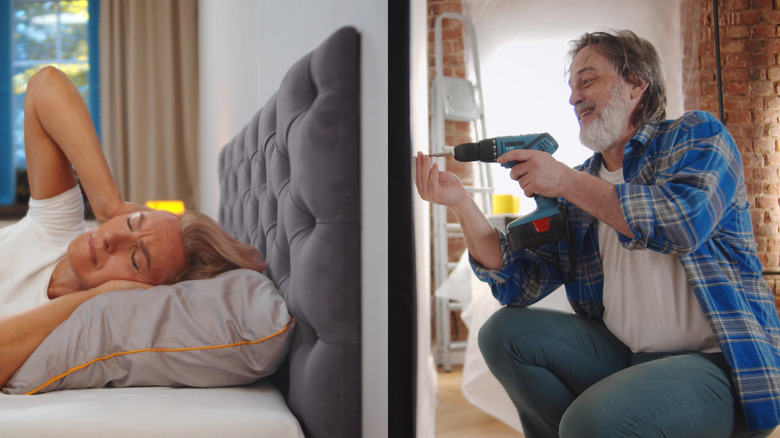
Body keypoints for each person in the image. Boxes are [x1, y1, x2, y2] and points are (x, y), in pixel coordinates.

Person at [415, 30, 780, 437]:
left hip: (717, 363)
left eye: (587, 80)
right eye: (571, 87)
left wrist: (565, 182)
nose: (573, 98)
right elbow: (520, 284)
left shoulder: (696, 136)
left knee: (588, 422)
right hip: (626, 356)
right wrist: (462, 204)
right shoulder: (584, 183)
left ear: (637, 83)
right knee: (504, 334)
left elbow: (682, 224)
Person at [0, 66, 265, 388]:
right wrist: (110, 205)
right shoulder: (54, 230)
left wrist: (96, 297)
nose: (112, 238)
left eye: (137, 259)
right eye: (131, 222)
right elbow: (44, 84)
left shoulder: (64, 329)